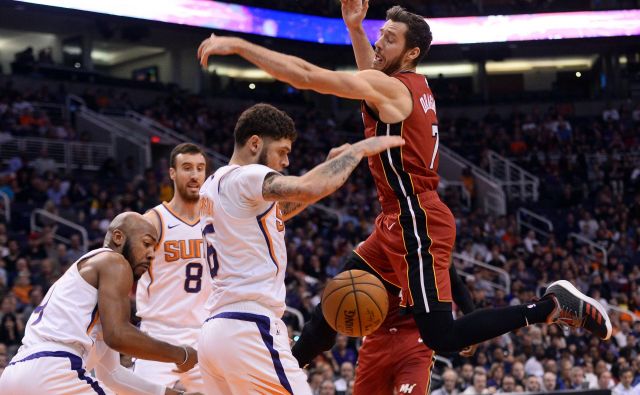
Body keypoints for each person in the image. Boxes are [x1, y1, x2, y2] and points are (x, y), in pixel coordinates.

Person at [196, 1, 612, 366]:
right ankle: (280, 373)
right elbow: (369, 79)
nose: (380, 43)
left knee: (442, 337)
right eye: (381, 34)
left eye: (389, 39)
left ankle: (551, 305)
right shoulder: (408, 86)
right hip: (397, 219)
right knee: (331, 308)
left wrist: (239, 46)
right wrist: (356, 29)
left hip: (417, 217)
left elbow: (307, 75)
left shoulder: (394, 89)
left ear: (411, 53)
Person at [197, 103, 404, 394]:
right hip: (249, 327)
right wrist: (357, 152)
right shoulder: (246, 176)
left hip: (215, 333)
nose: (286, 162)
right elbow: (306, 187)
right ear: (255, 143)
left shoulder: (214, 185)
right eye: (282, 151)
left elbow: (281, 209)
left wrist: (328, 164)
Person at [0, 212, 200, 395]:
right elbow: (119, 336)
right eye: (146, 244)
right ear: (119, 237)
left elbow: (113, 375)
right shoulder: (114, 261)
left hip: (15, 376)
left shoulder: (91, 303)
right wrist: (180, 354)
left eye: (154, 248)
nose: (151, 254)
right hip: (53, 369)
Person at [134, 143, 209, 392]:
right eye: (187, 168)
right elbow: (123, 274)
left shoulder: (216, 221)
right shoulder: (153, 220)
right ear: (172, 173)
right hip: (158, 335)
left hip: (204, 335)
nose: (195, 175)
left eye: (200, 168)